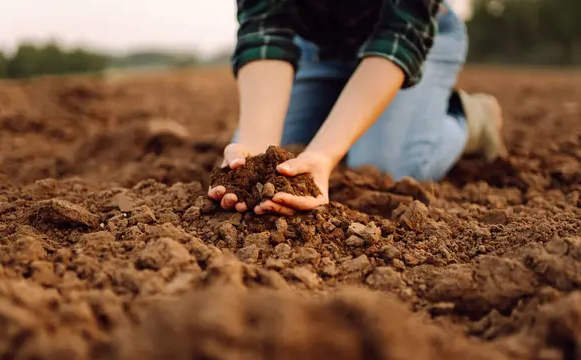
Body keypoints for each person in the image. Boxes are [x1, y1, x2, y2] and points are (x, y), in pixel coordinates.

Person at [208, 0, 507, 216]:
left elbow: (402, 34)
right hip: (318, 45)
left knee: (384, 165)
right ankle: (345, 105)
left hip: (415, 37)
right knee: (252, 145)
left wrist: (323, 155)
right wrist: (257, 154)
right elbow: (265, 27)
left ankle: (471, 119)